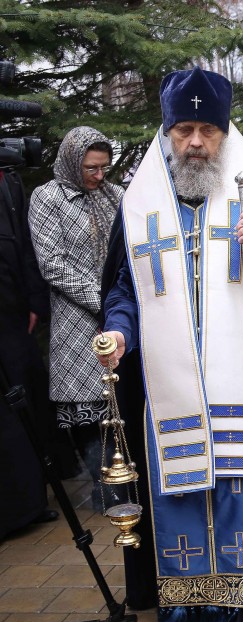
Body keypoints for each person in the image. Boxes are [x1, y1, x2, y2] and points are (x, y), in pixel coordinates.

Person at [95, 67, 243, 622]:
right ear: (167, 132)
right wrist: (119, 331)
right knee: (182, 491)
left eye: (207, 131)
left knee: (241, 492)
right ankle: (191, 607)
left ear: (225, 132)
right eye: (184, 130)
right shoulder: (138, 205)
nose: (195, 142)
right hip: (170, 390)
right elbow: (126, 288)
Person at [28, 127, 125, 512]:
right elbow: (52, 263)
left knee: (122, 399)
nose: (99, 175)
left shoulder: (115, 195)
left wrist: (123, 302)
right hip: (76, 322)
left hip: (121, 315)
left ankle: (130, 484)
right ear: (72, 162)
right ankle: (105, 490)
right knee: (88, 407)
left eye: (104, 167)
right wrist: (103, 300)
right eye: (91, 168)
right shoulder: (47, 197)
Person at [0, 165, 68, 540]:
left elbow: (25, 246)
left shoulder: (9, 180)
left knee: (26, 402)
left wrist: (34, 301)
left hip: (14, 315)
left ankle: (31, 502)